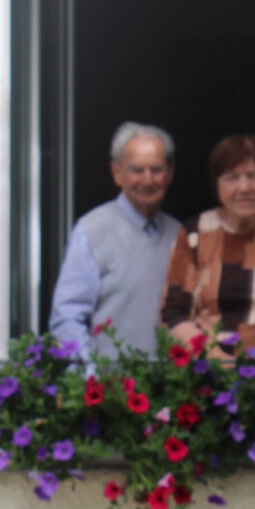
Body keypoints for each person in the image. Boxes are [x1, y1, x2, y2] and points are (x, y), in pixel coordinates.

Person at [161, 134, 255, 356]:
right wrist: (218, 361)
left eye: (254, 176)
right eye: (232, 178)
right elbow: (172, 313)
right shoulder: (195, 233)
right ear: (217, 185)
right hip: (206, 371)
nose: (244, 188)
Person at [49, 122, 182, 357]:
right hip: (111, 387)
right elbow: (67, 316)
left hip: (170, 388)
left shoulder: (179, 234)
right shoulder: (92, 230)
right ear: (117, 173)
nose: (147, 180)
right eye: (136, 170)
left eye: (156, 169)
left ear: (170, 174)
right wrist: (90, 377)